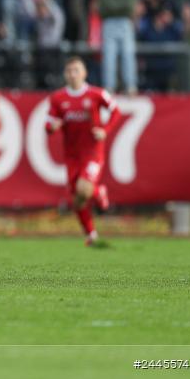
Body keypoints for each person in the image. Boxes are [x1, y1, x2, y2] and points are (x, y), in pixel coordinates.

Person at [45, 56, 121, 247]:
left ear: (84, 73)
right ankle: (91, 235)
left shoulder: (97, 94)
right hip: (72, 155)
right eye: (69, 71)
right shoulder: (57, 98)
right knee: (77, 200)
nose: (73, 74)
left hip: (93, 152)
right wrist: (52, 127)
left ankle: (99, 192)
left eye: (76, 70)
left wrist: (105, 130)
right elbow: (48, 123)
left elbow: (116, 111)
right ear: (65, 74)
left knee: (83, 188)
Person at [76, 0, 173, 94]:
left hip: (110, 22)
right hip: (124, 22)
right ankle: (130, 86)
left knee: (110, 56)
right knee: (127, 55)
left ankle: (110, 87)